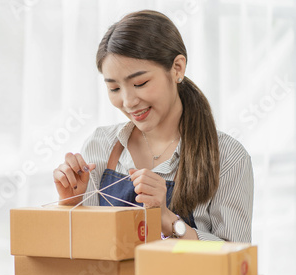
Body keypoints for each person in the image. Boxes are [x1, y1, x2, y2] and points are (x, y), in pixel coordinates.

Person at [52, 10, 253, 242]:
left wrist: (169, 221)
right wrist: (71, 203)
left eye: (140, 83)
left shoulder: (228, 157)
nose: (128, 102)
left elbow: (236, 258)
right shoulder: (100, 146)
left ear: (177, 68)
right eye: (114, 88)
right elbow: (81, 249)